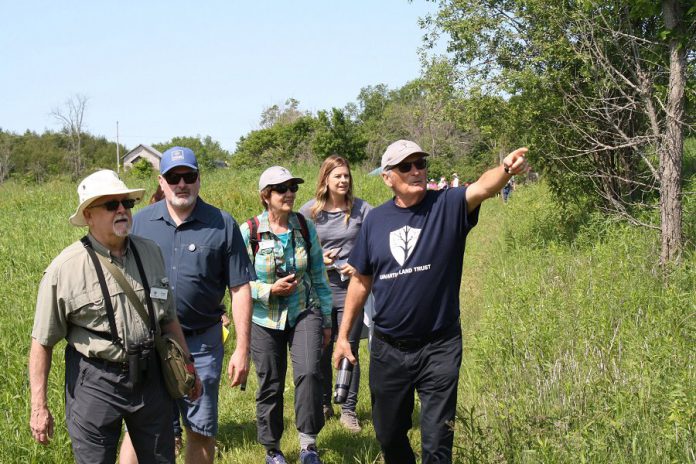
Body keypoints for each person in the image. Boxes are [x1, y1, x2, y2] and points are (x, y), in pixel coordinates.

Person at [333, 140, 529, 463]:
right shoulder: (375, 221)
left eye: (420, 164)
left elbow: (481, 187)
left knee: (437, 440)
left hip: (439, 345)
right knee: (388, 432)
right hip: (388, 348)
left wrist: (506, 169)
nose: (416, 171)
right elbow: (360, 281)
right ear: (387, 177)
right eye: (405, 167)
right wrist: (343, 337)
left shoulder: (447, 205)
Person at [28, 169, 201, 464]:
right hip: (94, 380)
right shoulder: (64, 269)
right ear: (89, 215)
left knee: (161, 457)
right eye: (111, 204)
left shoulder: (150, 253)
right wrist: (39, 406)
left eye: (126, 203)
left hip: (150, 376)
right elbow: (42, 342)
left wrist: (187, 365)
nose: (122, 209)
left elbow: (168, 319)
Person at [119, 147, 254, 464]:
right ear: (161, 182)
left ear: (198, 179)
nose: (182, 184)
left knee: (200, 429)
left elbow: (240, 287)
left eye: (188, 176)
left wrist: (242, 349)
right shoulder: (140, 223)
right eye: (173, 177)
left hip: (201, 345)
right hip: (148, 343)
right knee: (139, 428)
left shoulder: (222, 224)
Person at [240, 166, 333, 464]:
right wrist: (268, 290)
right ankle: (273, 449)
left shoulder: (304, 227)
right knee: (271, 381)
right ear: (266, 196)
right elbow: (238, 284)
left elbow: (318, 275)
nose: (290, 193)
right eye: (282, 189)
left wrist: (328, 319)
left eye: (293, 187)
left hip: (304, 311)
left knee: (308, 372)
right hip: (264, 319)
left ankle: (308, 445)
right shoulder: (250, 231)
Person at [299, 155, 372, 433]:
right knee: (320, 348)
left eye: (346, 176)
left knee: (348, 348)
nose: (343, 181)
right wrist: (319, 260)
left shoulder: (362, 210)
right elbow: (297, 250)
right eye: (337, 176)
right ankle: (325, 402)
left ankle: (349, 409)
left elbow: (377, 238)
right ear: (325, 179)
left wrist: (362, 263)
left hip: (350, 290)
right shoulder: (309, 212)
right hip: (318, 291)